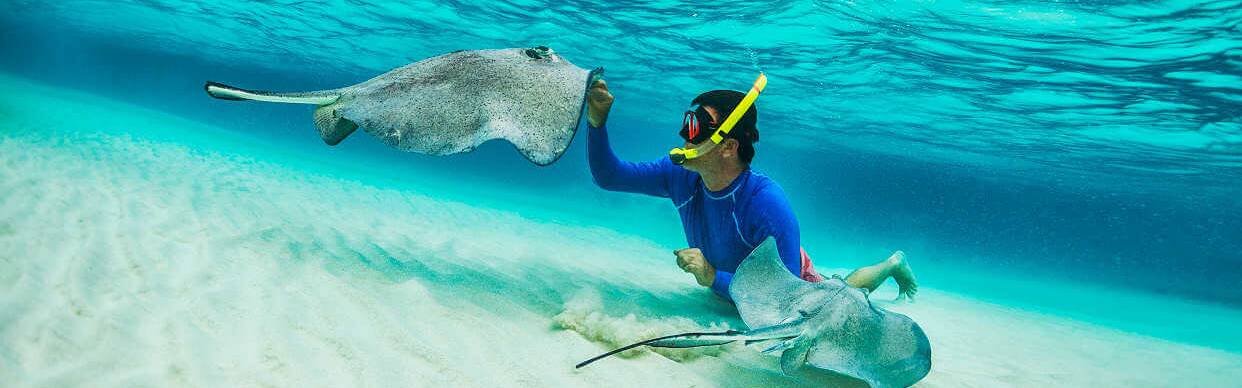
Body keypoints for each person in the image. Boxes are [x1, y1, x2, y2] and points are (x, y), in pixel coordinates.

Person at [584, 77, 918, 302]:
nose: (684, 135)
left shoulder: (766, 202)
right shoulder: (679, 175)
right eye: (688, 122)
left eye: (696, 126)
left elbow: (782, 297)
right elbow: (609, 176)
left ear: (728, 146)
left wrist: (713, 276)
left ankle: (891, 263)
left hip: (791, 287)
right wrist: (597, 121)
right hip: (740, 293)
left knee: (843, 293)